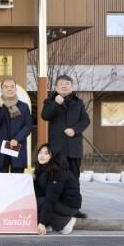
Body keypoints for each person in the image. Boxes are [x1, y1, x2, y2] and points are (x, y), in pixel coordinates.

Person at [41, 74, 90, 218]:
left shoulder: (78, 102)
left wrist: (75, 130)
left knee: (74, 179)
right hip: (57, 150)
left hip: (74, 148)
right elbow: (45, 116)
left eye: (67, 84)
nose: (64, 86)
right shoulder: (50, 101)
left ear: (72, 87)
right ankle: (55, 206)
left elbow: (85, 120)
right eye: (61, 83)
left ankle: (74, 209)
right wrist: (55, 103)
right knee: (55, 179)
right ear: (56, 87)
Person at [34, 144, 81, 235]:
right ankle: (48, 224)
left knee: (40, 202)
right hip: (59, 200)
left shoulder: (57, 172)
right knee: (36, 200)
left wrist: (42, 222)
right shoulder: (43, 169)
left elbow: (50, 199)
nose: (42, 155)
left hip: (69, 205)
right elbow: (40, 191)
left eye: (46, 153)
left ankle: (65, 223)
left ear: (53, 156)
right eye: (40, 153)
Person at [0, 78, 32, 173]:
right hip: (0, 149)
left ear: (16, 89)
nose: (9, 89)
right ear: (1, 90)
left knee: (18, 178)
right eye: (6, 87)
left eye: (12, 87)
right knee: (1, 179)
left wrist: (17, 139)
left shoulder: (24, 106)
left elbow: (28, 126)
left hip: (17, 147)